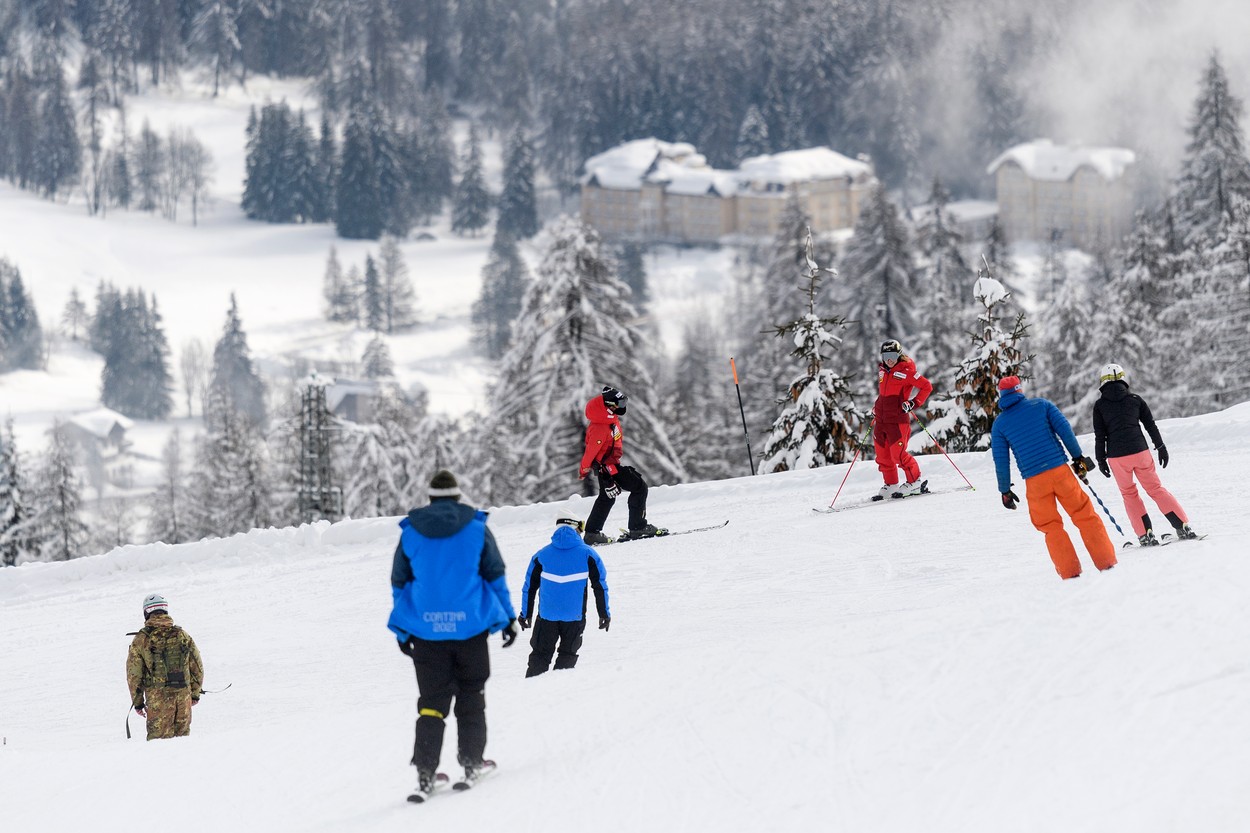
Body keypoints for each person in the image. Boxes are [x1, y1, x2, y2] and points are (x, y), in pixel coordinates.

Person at [388, 469, 519, 802]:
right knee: (471, 694)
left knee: (431, 704)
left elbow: (399, 584)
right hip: (470, 629)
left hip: (426, 632)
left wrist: (404, 626)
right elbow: (495, 576)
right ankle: (472, 763)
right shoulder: (477, 529)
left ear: (430, 498)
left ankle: (426, 774)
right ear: (458, 497)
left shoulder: (411, 533)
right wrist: (508, 618)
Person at [991, 376, 1117, 580]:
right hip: (1060, 471)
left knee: (1050, 527)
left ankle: (1070, 572)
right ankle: (1107, 562)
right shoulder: (1042, 405)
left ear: (1002, 396)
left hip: (1034, 481)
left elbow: (1001, 460)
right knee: (1084, 514)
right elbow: (1065, 431)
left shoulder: (1000, 424)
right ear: (1019, 390)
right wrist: (1078, 458)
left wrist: (1004, 490)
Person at [1092, 363, 1197, 545]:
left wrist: (1101, 459)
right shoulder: (1135, 399)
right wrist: (1161, 446)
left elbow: (1100, 435)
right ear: (1124, 379)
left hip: (1117, 457)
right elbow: (1150, 425)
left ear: (1103, 381)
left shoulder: (1100, 406)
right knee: (1156, 489)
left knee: (1129, 494)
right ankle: (1182, 526)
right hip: (1140, 451)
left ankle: (1145, 535)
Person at [518, 517, 611, 677]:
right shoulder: (588, 554)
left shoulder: (542, 555)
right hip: (574, 616)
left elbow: (529, 587)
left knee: (540, 656)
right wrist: (604, 613)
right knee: (567, 655)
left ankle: (531, 695)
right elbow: (600, 585)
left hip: (547, 616)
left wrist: (525, 614)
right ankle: (558, 693)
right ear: (578, 530)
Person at [578, 385, 661, 543]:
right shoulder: (600, 426)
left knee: (607, 498)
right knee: (639, 487)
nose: (623, 408)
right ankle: (638, 528)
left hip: (610, 465)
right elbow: (591, 451)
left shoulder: (608, 417)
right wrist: (585, 469)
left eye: (624, 403)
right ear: (610, 405)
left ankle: (592, 533)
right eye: (621, 404)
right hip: (607, 468)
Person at [126, 593, 204, 741]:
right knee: (183, 743)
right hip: (183, 698)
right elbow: (197, 667)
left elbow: (134, 675)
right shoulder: (182, 635)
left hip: (158, 702)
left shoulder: (141, 639)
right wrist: (194, 694)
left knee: (158, 747)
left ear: (146, 612)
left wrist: (138, 703)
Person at [872, 339, 933, 500]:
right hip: (881, 419)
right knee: (882, 456)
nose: (889, 360)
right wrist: (877, 407)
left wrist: (913, 403)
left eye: (892, 355)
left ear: (899, 355)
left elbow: (927, 386)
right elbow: (884, 395)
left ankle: (915, 482)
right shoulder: (882, 371)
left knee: (898, 454)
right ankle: (891, 485)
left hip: (897, 420)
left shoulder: (907, 371)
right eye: (885, 356)